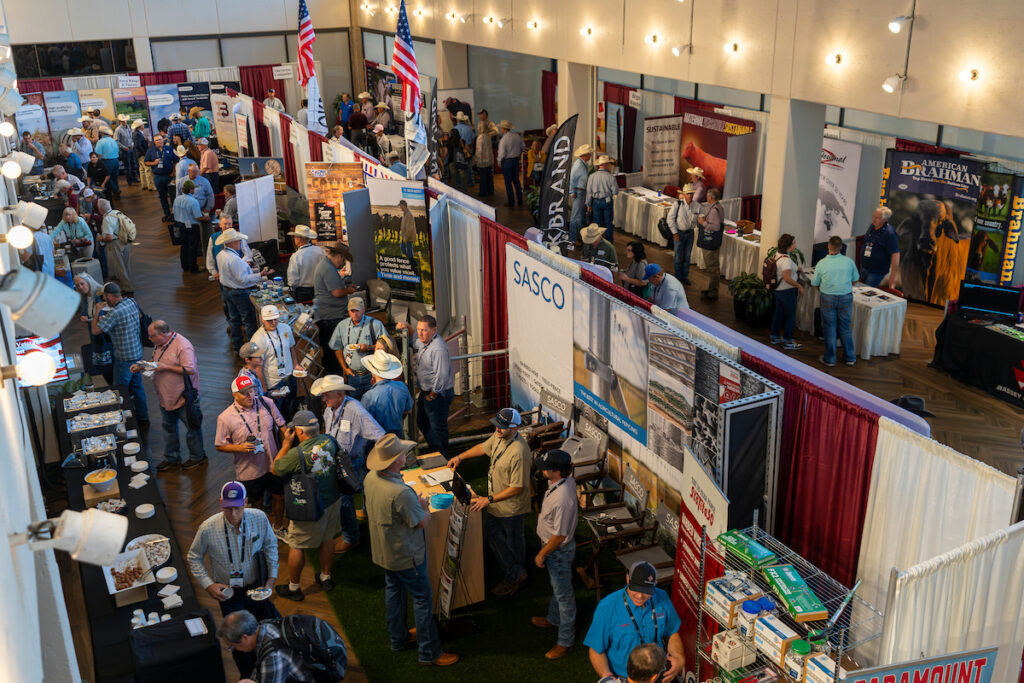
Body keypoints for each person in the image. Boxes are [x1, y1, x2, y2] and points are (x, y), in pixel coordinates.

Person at [363, 435, 460, 667]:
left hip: (383, 552)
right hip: (407, 555)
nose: (406, 456)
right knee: (423, 601)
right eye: (402, 454)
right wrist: (424, 507)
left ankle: (398, 639)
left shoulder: (370, 478)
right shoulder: (400, 492)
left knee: (394, 592)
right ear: (396, 461)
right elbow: (421, 522)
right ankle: (429, 653)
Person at [189, 482, 281, 675]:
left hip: (256, 588)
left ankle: (271, 669)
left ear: (246, 502)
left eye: (238, 508)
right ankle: (247, 675)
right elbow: (193, 557)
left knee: (266, 631)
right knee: (237, 639)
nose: (233, 514)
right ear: (220, 502)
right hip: (228, 595)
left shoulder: (259, 518)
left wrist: (271, 579)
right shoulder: (207, 528)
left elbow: (271, 544)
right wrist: (208, 585)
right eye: (228, 508)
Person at [448, 407, 532, 596]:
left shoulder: (519, 452)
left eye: (502, 427)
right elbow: (484, 447)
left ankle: (515, 577)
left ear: (515, 428)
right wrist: (460, 457)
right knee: (493, 534)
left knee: (514, 541)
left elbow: (517, 487)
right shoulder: (500, 436)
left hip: (510, 507)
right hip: (496, 502)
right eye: (497, 425)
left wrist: (489, 499)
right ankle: (518, 573)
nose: (497, 430)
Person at [272, 410, 344, 600]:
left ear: (300, 432)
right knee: (328, 538)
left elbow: (275, 468)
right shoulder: (329, 440)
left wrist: (286, 444)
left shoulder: (298, 453)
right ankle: (325, 577)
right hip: (333, 500)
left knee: (297, 545)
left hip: (310, 507)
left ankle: (294, 588)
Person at [309, 375, 385, 552]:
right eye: (323, 395)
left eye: (327, 394)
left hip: (350, 462)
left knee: (343, 501)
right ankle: (353, 527)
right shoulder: (330, 408)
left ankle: (351, 538)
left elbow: (379, 435)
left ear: (341, 394)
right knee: (344, 499)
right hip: (335, 462)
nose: (323, 398)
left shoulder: (355, 410)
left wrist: (377, 460)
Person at [584, 561, 685, 681]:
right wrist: (606, 676)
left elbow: (672, 631)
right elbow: (596, 649)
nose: (640, 596)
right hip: (624, 678)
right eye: (636, 589)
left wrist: (679, 658)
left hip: (658, 674)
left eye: (646, 591)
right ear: (627, 579)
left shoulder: (661, 596)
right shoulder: (607, 607)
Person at [132, 320, 206, 470]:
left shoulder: (183, 346)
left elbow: (189, 369)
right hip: (166, 396)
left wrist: (166, 367)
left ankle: (197, 456)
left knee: (192, 428)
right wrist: (142, 366)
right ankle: (172, 458)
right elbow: (156, 362)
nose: (149, 339)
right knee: (168, 429)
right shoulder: (160, 344)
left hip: (183, 397)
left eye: (152, 336)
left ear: (162, 334)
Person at [216, 375, 286, 529]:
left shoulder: (267, 403)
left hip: (274, 463)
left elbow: (282, 426)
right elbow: (219, 445)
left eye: (252, 390)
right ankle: (260, 529)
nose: (250, 396)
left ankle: (279, 527)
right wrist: (239, 447)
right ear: (235, 394)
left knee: (279, 496)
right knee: (256, 502)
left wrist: (285, 448)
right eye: (244, 393)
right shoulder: (225, 418)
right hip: (250, 469)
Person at [530, 448, 578, 661]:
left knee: (564, 596)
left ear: (556, 472)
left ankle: (565, 641)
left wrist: (542, 554)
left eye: (546, 468)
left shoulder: (562, 499)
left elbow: (559, 536)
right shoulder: (564, 482)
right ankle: (553, 617)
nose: (542, 470)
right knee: (558, 587)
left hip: (556, 551)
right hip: (556, 550)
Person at [396, 315, 454, 457]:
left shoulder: (438, 348)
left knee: (437, 428)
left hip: (437, 394)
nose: (420, 333)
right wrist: (408, 328)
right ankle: (436, 451)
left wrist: (433, 394)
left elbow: (442, 375)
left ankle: (443, 458)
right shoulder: (426, 341)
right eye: (418, 329)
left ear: (433, 330)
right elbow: (415, 341)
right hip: (428, 392)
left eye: (424, 330)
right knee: (422, 422)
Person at [91, 283, 148, 420]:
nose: (104, 300)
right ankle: (143, 416)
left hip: (124, 357)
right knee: (137, 386)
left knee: (119, 390)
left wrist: (96, 312)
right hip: (137, 352)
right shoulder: (131, 301)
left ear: (109, 296)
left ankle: (122, 419)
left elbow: (95, 330)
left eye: (105, 297)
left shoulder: (115, 312)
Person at [811, 234, 860, 367]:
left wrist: (824, 290)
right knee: (845, 327)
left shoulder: (822, 263)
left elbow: (815, 282)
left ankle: (830, 359)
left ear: (828, 246)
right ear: (841, 248)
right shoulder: (849, 261)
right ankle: (850, 357)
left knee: (830, 327)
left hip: (827, 297)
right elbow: (855, 279)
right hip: (846, 297)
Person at [329, 297, 387, 399]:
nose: (355, 314)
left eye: (357, 311)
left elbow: (387, 347)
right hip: (353, 375)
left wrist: (369, 347)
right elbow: (337, 348)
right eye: (352, 311)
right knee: (355, 404)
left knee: (372, 405)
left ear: (363, 309)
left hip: (372, 375)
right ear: (348, 311)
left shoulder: (375, 325)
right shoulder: (342, 326)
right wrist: (345, 368)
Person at [218, 228, 265, 353]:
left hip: (227, 290)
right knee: (249, 322)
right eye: (238, 240)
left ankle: (237, 347)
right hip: (239, 293)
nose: (239, 242)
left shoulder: (221, 255)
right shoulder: (234, 259)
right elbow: (243, 280)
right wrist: (260, 274)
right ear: (231, 242)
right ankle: (251, 351)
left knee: (234, 320)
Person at [314, 244, 357, 375]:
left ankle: (333, 374)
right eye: (342, 259)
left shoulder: (326, 265)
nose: (342, 263)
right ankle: (336, 375)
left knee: (330, 349)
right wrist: (349, 290)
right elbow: (337, 293)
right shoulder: (328, 268)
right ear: (338, 256)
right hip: (331, 316)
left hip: (327, 314)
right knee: (334, 349)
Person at [251, 305, 301, 419]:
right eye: (269, 320)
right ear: (262, 319)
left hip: (290, 377)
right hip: (274, 383)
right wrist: (264, 388)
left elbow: (291, 347)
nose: (273, 322)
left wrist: (296, 364)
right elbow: (258, 367)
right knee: (277, 415)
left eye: (275, 319)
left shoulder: (286, 328)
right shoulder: (257, 339)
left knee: (292, 408)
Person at [361, 350, 413, 439]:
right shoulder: (402, 387)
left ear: (373, 372)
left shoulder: (369, 396)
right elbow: (408, 410)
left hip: (379, 440)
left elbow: (364, 424)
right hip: (398, 436)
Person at [769, 233, 804, 351]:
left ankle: (775, 336)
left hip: (778, 291)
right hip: (786, 291)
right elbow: (787, 278)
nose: (795, 245)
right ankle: (788, 341)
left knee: (779, 312)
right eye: (794, 243)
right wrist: (799, 286)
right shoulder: (786, 261)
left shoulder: (778, 254)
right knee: (791, 315)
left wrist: (796, 268)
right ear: (789, 245)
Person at [96, 199, 134, 292]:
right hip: (125, 240)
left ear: (100, 210)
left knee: (119, 266)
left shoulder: (107, 219)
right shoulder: (117, 212)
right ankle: (127, 283)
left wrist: (101, 239)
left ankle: (127, 288)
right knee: (125, 264)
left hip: (115, 243)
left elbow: (109, 237)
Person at [696, 187, 725, 301]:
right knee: (714, 267)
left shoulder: (713, 210)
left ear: (711, 197)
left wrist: (703, 223)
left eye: (708, 196)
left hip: (710, 242)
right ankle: (712, 289)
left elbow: (715, 227)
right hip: (714, 242)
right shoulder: (719, 207)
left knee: (712, 268)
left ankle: (713, 292)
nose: (707, 197)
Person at [860, 206, 900, 287]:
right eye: (873, 216)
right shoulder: (872, 226)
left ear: (884, 220)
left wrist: (893, 277)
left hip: (875, 272)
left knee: (867, 295)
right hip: (864, 267)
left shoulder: (890, 233)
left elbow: (895, 254)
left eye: (877, 218)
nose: (873, 219)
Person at [285, 225, 325, 302]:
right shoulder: (320, 251)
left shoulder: (296, 256)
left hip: (303, 292)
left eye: (295, 237)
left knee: (305, 312)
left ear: (299, 238)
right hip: (321, 288)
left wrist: (292, 288)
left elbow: (293, 280)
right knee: (319, 311)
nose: (294, 239)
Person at [173, 179, 205, 273]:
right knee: (192, 247)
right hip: (191, 226)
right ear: (191, 190)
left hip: (179, 224)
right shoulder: (193, 201)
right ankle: (193, 268)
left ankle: (185, 266)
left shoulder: (177, 199)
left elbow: (174, 212)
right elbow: (198, 217)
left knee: (184, 246)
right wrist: (206, 218)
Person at [667, 183, 697, 285]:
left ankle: (685, 276)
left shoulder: (696, 205)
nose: (690, 196)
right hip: (679, 233)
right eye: (688, 194)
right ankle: (677, 277)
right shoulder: (677, 204)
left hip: (690, 233)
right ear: (684, 194)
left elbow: (702, 215)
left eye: (692, 194)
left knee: (687, 256)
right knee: (678, 257)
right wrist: (675, 233)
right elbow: (670, 219)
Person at [586, 155, 618, 241]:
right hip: (607, 201)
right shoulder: (611, 177)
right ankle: (609, 242)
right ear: (606, 164)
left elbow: (589, 192)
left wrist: (588, 204)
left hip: (595, 201)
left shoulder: (592, 176)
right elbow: (615, 192)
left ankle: (597, 241)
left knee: (597, 223)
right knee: (608, 223)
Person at [497, 120, 525, 207]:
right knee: (516, 181)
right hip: (515, 160)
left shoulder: (503, 139)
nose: (500, 129)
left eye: (501, 128)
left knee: (508, 183)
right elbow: (523, 147)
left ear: (504, 129)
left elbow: (502, 152)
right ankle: (520, 200)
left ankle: (511, 201)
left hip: (507, 161)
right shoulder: (517, 136)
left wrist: (499, 161)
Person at [147, 134, 175, 220]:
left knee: (173, 196)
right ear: (154, 142)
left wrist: (173, 172)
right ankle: (167, 214)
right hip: (158, 177)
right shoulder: (150, 150)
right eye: (157, 140)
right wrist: (153, 163)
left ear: (163, 140)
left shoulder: (169, 149)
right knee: (162, 196)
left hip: (169, 176)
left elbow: (176, 161)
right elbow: (146, 162)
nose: (159, 141)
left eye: (160, 139)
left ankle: (175, 214)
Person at [569, 144, 592, 244]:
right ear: (585, 155)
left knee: (579, 216)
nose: (591, 155)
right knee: (575, 216)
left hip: (581, 191)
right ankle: (573, 238)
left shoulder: (581, 164)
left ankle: (578, 237)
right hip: (579, 191)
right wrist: (572, 192)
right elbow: (572, 178)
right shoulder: (578, 165)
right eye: (589, 154)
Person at [474, 112, 498, 197]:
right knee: (489, 176)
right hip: (489, 159)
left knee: (483, 177)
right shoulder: (488, 136)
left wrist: (476, 160)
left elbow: (479, 150)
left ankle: (483, 192)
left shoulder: (480, 137)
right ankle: (490, 191)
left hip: (482, 160)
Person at [94, 127, 121, 199]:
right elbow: (118, 150)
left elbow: (98, 154)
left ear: (101, 133)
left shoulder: (100, 142)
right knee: (114, 177)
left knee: (108, 178)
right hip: (116, 160)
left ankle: (114, 191)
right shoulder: (113, 140)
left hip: (107, 161)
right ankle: (116, 190)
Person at [114, 115, 137, 186]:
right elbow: (116, 141)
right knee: (127, 166)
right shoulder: (118, 130)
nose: (124, 122)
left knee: (133, 164)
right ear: (120, 121)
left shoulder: (128, 127)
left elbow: (130, 138)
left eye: (124, 120)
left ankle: (134, 179)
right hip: (124, 150)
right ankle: (129, 181)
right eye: (122, 121)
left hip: (130, 148)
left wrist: (132, 143)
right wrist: (123, 147)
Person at [132, 120, 153, 191]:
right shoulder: (138, 134)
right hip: (142, 154)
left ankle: (144, 184)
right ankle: (150, 186)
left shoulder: (136, 133)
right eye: (142, 125)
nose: (143, 126)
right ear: (140, 126)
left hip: (138, 154)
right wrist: (145, 153)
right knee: (147, 169)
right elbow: (138, 145)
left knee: (142, 169)